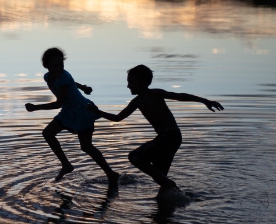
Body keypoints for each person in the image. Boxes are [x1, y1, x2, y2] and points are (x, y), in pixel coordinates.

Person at [88, 64, 223, 198]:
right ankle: (173, 199)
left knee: (134, 157)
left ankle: (170, 187)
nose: (128, 86)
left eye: (131, 82)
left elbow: (179, 96)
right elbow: (118, 118)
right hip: (168, 138)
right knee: (161, 178)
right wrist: (97, 112)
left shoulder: (156, 94)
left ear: (143, 82)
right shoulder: (136, 101)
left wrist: (204, 101)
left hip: (170, 137)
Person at [25, 47, 120, 187]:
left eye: (61, 65)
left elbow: (58, 103)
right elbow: (71, 83)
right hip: (69, 111)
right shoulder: (47, 77)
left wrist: (35, 107)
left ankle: (110, 174)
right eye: (54, 66)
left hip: (83, 111)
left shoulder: (64, 76)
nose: (58, 68)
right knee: (48, 133)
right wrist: (83, 87)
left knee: (86, 146)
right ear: (46, 66)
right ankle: (66, 164)